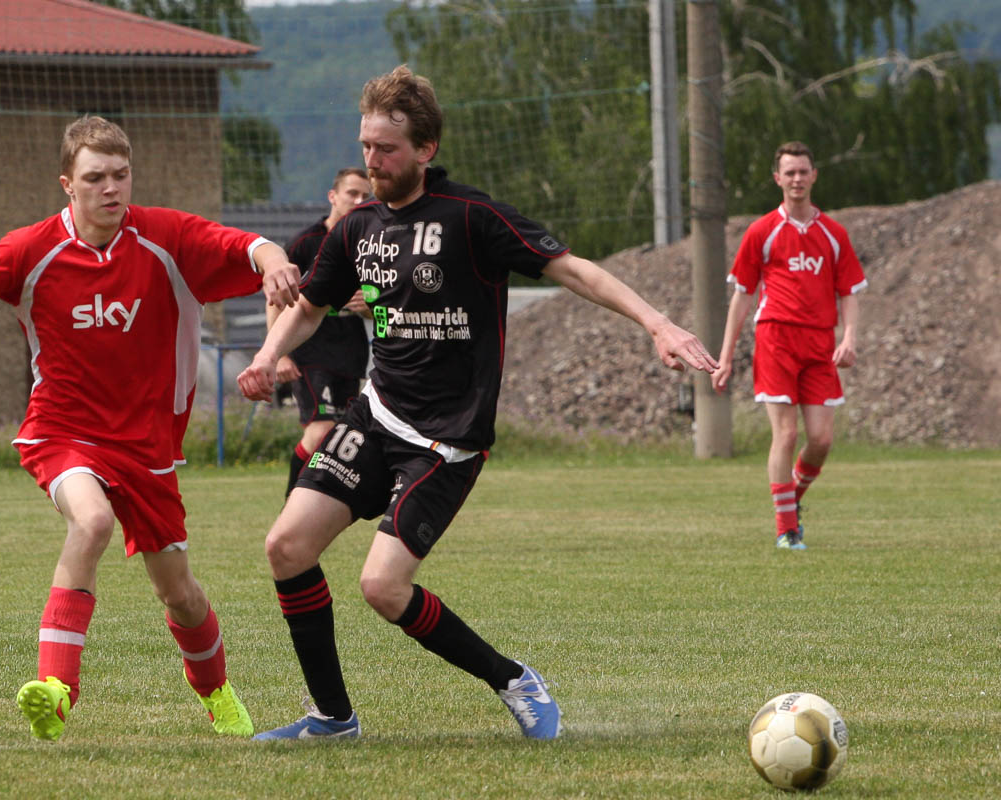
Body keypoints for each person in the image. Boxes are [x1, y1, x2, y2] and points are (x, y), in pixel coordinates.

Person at [236, 65, 718, 741]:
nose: (373, 162)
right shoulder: (357, 228)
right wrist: (266, 357)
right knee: (286, 545)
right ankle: (332, 718)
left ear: (426, 149)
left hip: (447, 442)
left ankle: (513, 679)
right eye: (367, 146)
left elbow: (573, 269)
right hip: (376, 416)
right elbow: (311, 307)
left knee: (383, 587)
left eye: (388, 150)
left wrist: (658, 324)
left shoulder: (473, 217)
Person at [0, 115, 300, 742]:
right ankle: (55, 689)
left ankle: (218, 695)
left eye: (120, 175)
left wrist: (274, 261)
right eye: (95, 178)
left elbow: (247, 245)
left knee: (180, 593)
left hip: (148, 447)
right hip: (62, 431)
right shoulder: (31, 249)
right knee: (92, 520)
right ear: (67, 186)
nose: (111, 188)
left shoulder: (166, 238)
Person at [712, 141, 866, 550]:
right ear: (777, 179)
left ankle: (789, 503)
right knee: (785, 434)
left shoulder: (833, 233)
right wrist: (725, 358)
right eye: (789, 172)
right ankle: (787, 530)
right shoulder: (762, 231)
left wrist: (849, 338)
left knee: (821, 440)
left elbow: (849, 290)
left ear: (814, 176)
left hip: (819, 344)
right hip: (776, 339)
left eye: (803, 171)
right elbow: (743, 295)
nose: (797, 179)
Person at [271, 167, 373, 497]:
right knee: (320, 432)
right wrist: (280, 352)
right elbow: (276, 298)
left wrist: (369, 305)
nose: (359, 201)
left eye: (365, 196)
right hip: (309, 352)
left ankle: (317, 505)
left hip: (351, 352)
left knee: (342, 437)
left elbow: (383, 301)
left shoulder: (370, 244)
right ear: (333, 197)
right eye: (352, 194)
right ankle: (292, 505)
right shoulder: (305, 242)